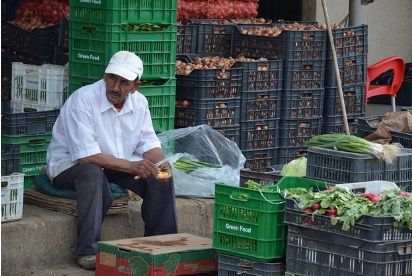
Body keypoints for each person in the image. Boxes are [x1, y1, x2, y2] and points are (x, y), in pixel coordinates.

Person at [46, 51, 178, 270]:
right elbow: (85, 156)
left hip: (115, 163)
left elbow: (148, 143)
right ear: (104, 75)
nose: (115, 87)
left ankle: (161, 245)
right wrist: (132, 165)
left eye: (124, 82)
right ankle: (87, 251)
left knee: (159, 176)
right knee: (92, 173)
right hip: (70, 165)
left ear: (136, 86)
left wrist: (161, 162)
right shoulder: (83, 99)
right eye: (111, 78)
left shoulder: (140, 103)